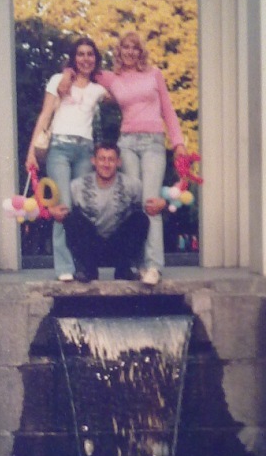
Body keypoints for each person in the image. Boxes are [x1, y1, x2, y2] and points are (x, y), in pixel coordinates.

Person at [59, 31, 187, 286]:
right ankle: (134, 264)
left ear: (140, 51)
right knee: (132, 204)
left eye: (134, 47)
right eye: (125, 47)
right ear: (119, 52)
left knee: (151, 204)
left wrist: (179, 143)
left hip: (153, 143)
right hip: (126, 143)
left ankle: (153, 266)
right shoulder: (111, 77)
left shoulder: (154, 74)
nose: (129, 52)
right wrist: (66, 73)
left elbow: (168, 109)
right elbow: (84, 67)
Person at [25, 37, 108, 281]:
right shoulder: (58, 81)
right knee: (63, 208)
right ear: (73, 57)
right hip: (59, 148)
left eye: (90, 54)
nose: (85, 59)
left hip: (85, 150)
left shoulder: (98, 89)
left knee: (82, 207)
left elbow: (121, 94)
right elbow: (45, 115)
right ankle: (64, 268)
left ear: (96, 59)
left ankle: (84, 265)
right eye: (80, 54)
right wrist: (31, 152)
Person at [53, 142, 165, 283]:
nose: (106, 164)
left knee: (140, 218)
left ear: (118, 162)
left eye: (111, 159)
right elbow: (56, 206)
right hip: (92, 247)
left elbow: (152, 201)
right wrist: (50, 210)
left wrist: (164, 202)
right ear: (93, 161)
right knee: (72, 219)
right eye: (102, 159)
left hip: (118, 247)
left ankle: (123, 270)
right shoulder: (77, 186)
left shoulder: (132, 184)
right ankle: (88, 270)